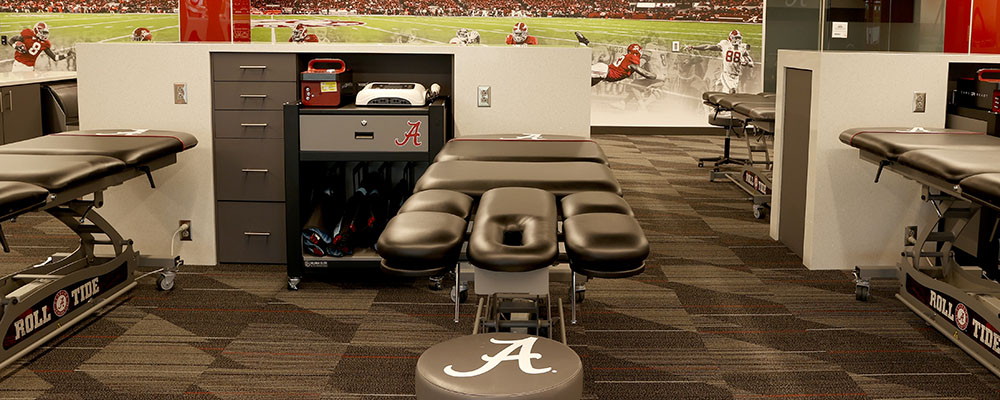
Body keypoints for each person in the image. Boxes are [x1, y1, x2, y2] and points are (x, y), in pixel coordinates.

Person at [575, 32, 657, 87]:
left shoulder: (629, 57)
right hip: (604, 72)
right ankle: (583, 43)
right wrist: (654, 76)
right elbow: (643, 72)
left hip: (604, 73)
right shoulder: (633, 58)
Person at [684, 29, 753, 94]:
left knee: (721, 90)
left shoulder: (742, 48)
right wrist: (694, 47)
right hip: (726, 74)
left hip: (736, 76)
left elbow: (751, 64)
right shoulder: (725, 44)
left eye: (739, 38)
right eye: (736, 38)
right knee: (732, 91)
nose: (737, 40)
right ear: (730, 38)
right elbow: (707, 47)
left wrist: (747, 63)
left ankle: (717, 92)